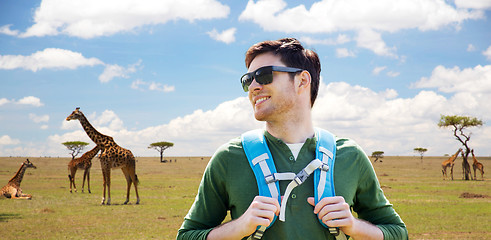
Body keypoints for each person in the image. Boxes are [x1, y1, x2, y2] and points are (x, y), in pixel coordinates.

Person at [177, 38, 407, 240]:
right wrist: (238, 227)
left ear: (302, 81)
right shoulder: (229, 157)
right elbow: (187, 236)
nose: (254, 87)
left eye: (264, 75)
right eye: (248, 80)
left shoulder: (350, 155)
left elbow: (397, 232)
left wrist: (354, 226)